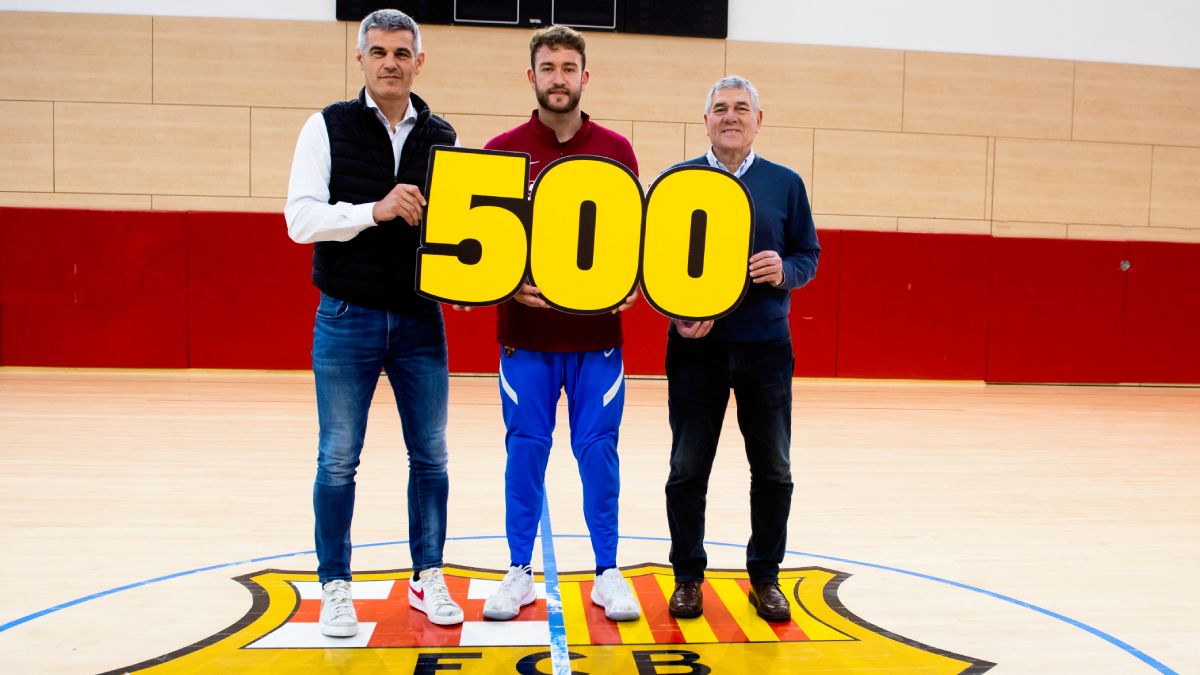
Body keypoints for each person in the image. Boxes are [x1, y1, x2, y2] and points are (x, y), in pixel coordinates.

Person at [283, 9, 463, 636]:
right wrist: (375, 210)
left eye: (402, 52)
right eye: (379, 51)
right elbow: (300, 220)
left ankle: (427, 574)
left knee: (432, 457)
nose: (391, 61)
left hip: (420, 319)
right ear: (360, 59)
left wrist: (468, 279)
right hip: (346, 315)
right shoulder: (325, 126)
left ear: (419, 61)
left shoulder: (443, 134)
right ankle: (335, 585)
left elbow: (457, 234)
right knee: (338, 459)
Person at [478, 25, 642, 623]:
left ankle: (606, 570)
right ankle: (519, 569)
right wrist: (503, 280)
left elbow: (633, 238)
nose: (558, 79)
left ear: (584, 78)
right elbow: (483, 246)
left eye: (568, 68)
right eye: (548, 68)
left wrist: (631, 286)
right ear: (532, 77)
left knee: (598, 453)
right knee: (525, 450)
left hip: (597, 340)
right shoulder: (501, 150)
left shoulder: (617, 150)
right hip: (526, 337)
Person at [663, 76, 820, 623]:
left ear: (759, 118)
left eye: (741, 108)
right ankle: (687, 577)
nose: (731, 116)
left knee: (774, 471)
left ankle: (766, 578)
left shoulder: (786, 183)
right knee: (687, 469)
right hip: (694, 352)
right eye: (720, 108)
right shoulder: (677, 181)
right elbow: (652, 265)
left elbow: (809, 254)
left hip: (766, 351)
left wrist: (787, 271)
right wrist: (678, 313)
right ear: (705, 119)